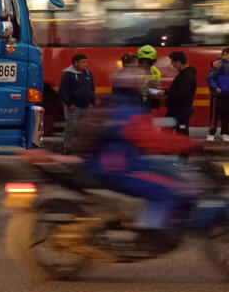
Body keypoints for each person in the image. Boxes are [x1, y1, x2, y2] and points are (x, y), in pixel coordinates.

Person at [86, 92, 197, 252]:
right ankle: (149, 233)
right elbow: (156, 141)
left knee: (164, 169)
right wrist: (191, 144)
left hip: (114, 162)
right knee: (168, 189)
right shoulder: (130, 112)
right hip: (119, 168)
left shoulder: (117, 107)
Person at [58, 53, 96, 154]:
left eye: (86, 62)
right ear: (75, 63)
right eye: (83, 62)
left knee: (85, 129)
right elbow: (62, 91)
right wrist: (70, 104)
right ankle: (68, 148)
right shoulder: (67, 74)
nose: (85, 64)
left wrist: (92, 103)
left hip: (86, 106)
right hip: (73, 108)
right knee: (71, 128)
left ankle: (83, 149)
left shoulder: (88, 74)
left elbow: (92, 89)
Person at [166, 52, 197, 161]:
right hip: (177, 111)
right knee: (170, 132)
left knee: (182, 135)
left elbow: (182, 94)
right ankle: (169, 156)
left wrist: (167, 93)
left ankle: (183, 159)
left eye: (173, 62)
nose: (172, 65)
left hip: (180, 111)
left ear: (178, 62)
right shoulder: (184, 74)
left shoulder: (187, 76)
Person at [206, 47, 229, 141]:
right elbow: (209, 78)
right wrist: (215, 88)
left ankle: (225, 133)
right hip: (218, 95)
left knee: (227, 115)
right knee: (215, 115)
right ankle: (211, 133)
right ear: (225, 54)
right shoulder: (219, 63)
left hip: (227, 94)